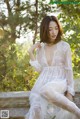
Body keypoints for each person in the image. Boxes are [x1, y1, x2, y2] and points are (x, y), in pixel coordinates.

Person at [25, 15, 80, 119]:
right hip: (43, 81)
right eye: (50, 29)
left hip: (59, 81)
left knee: (46, 90)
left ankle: (77, 111)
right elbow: (41, 70)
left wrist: (70, 91)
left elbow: (69, 70)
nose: (54, 32)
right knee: (36, 110)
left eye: (56, 28)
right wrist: (30, 52)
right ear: (45, 30)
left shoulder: (64, 46)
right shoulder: (41, 48)